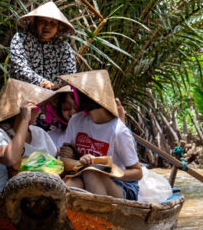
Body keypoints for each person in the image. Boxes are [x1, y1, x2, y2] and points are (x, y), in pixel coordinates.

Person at [58, 70, 142, 200]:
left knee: (91, 172)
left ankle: (100, 216)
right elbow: (64, 159)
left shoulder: (118, 131)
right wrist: (82, 163)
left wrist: (108, 170)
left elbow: (137, 172)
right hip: (84, 175)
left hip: (121, 185)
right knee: (74, 182)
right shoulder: (76, 121)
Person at [0, 79, 57, 199]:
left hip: (40, 199)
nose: (40, 111)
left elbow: (56, 163)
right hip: (0, 199)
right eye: (36, 108)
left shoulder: (40, 133)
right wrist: (24, 119)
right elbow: (10, 158)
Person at [9, 1, 76, 90]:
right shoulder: (21, 39)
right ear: (35, 22)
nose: (47, 26)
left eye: (52, 23)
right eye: (42, 21)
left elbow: (70, 76)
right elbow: (19, 67)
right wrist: (42, 83)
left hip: (54, 97)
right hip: (24, 93)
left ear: (58, 27)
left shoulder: (63, 47)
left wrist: (58, 89)